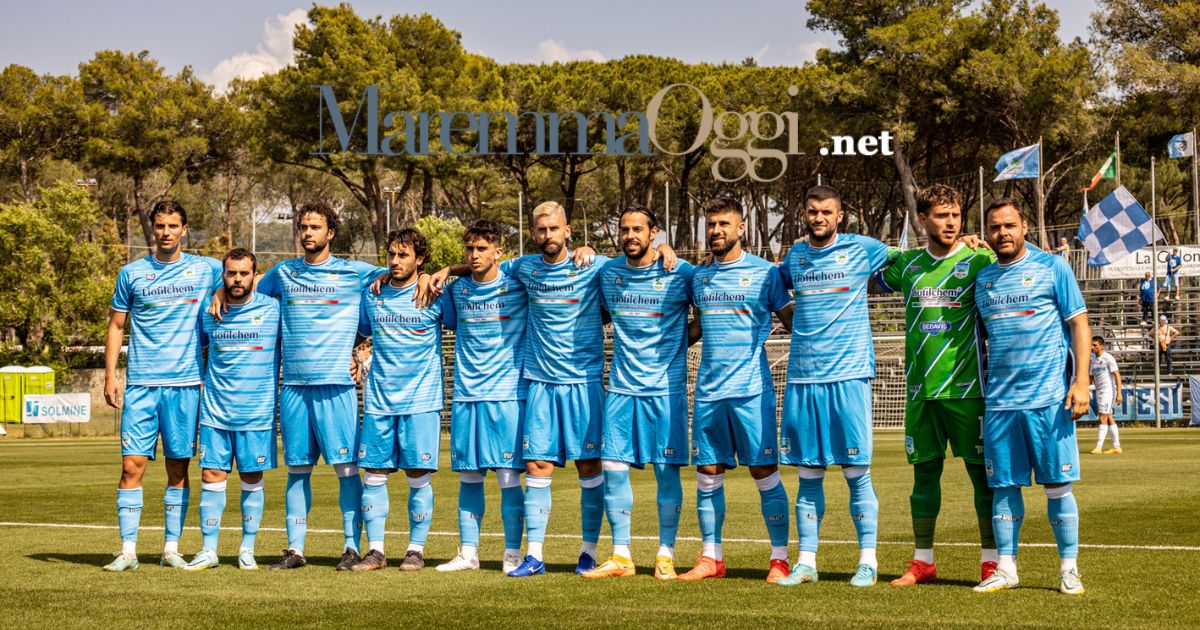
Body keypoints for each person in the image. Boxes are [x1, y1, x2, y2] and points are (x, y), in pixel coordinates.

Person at [212, 201, 388, 571]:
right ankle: (295, 550)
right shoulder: (284, 272)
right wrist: (219, 292)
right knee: (297, 471)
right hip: (293, 387)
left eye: (315, 227)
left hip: (337, 387)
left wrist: (427, 277)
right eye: (303, 226)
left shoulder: (354, 272)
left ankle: (351, 547)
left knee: (347, 472)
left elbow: (401, 273)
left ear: (331, 233)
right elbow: (246, 287)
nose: (308, 232)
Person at [876, 184, 998, 587]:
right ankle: (923, 561)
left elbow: (1017, 260)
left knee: (983, 478)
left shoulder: (980, 259)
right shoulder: (907, 265)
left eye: (956, 215)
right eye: (942, 215)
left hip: (967, 390)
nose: (951, 222)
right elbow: (864, 268)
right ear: (922, 219)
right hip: (919, 391)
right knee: (923, 477)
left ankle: (991, 561)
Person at [973, 198, 1091, 596]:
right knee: (1004, 487)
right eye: (994, 227)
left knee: (1058, 485)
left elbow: (1079, 324)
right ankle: (1006, 568)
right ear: (987, 234)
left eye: (1009, 225)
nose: (1002, 233)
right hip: (1000, 404)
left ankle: (1069, 569)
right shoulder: (983, 280)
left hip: (1048, 400)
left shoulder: (1053, 267)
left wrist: (1081, 381)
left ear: (1025, 228)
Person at [773, 185, 890, 588]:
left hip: (848, 376)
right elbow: (769, 284)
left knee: (857, 473)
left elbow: (914, 258)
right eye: (812, 211)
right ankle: (806, 562)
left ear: (840, 216)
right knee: (808, 474)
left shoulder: (864, 248)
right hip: (804, 378)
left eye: (826, 212)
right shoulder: (795, 256)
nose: (819, 217)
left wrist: (968, 244)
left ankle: (868, 562)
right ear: (803, 214)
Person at [102, 201, 223, 572]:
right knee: (131, 466)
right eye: (160, 226)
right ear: (152, 229)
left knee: (178, 469)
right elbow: (116, 326)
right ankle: (128, 551)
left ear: (184, 229)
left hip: (185, 384)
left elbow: (244, 279)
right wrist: (110, 375)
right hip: (141, 384)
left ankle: (171, 548)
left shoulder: (207, 269)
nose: (166, 232)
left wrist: (220, 293)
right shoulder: (131, 273)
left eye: (173, 225)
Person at [680, 196, 794, 583]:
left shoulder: (766, 274)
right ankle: (711, 557)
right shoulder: (699, 277)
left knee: (763, 471)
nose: (716, 231)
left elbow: (792, 320)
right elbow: (698, 326)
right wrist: (659, 342)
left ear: (741, 228)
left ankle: (779, 559)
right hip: (709, 391)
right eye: (711, 224)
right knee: (708, 472)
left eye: (724, 224)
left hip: (751, 391)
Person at [585, 205, 694, 580]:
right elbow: (580, 262)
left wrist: (675, 346)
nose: (630, 236)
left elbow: (704, 317)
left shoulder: (680, 272)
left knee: (666, 472)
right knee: (613, 469)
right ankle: (621, 556)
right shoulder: (608, 271)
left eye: (638, 229)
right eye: (624, 229)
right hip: (621, 389)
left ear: (654, 232)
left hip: (665, 391)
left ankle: (665, 555)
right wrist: (586, 248)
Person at [352, 229, 452, 572]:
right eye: (391, 254)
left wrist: (430, 277)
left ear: (419, 259)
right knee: (373, 474)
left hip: (421, 401)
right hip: (379, 401)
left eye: (403, 255)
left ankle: (415, 550)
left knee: (418, 474)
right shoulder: (373, 294)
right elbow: (361, 334)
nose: (394, 261)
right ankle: (376, 551)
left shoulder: (436, 295)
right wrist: (354, 356)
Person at [433, 220, 529, 575]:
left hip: (507, 396)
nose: (474, 255)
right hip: (467, 396)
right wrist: (446, 272)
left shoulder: (518, 284)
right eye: (469, 249)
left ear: (498, 252)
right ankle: (469, 553)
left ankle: (512, 553)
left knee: (508, 478)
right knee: (469, 477)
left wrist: (449, 267)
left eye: (482, 249)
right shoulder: (457, 291)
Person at [185, 248, 280, 571]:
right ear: (223, 275)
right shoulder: (208, 310)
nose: (237, 279)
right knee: (211, 476)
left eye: (243, 273)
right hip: (215, 411)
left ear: (255, 275)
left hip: (257, 413)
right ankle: (208, 550)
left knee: (251, 477)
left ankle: (247, 549)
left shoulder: (273, 309)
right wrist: (215, 294)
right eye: (231, 273)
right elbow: (197, 348)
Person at [1089, 336, 1123, 455]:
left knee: (1102, 417)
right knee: (1109, 417)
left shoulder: (1108, 358)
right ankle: (1116, 447)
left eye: (1095, 345)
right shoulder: (1093, 361)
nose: (1092, 347)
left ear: (1101, 346)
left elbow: (1117, 375)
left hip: (1108, 391)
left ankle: (1098, 447)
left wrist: (1119, 393)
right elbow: (1090, 378)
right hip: (1099, 391)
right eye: (1091, 345)